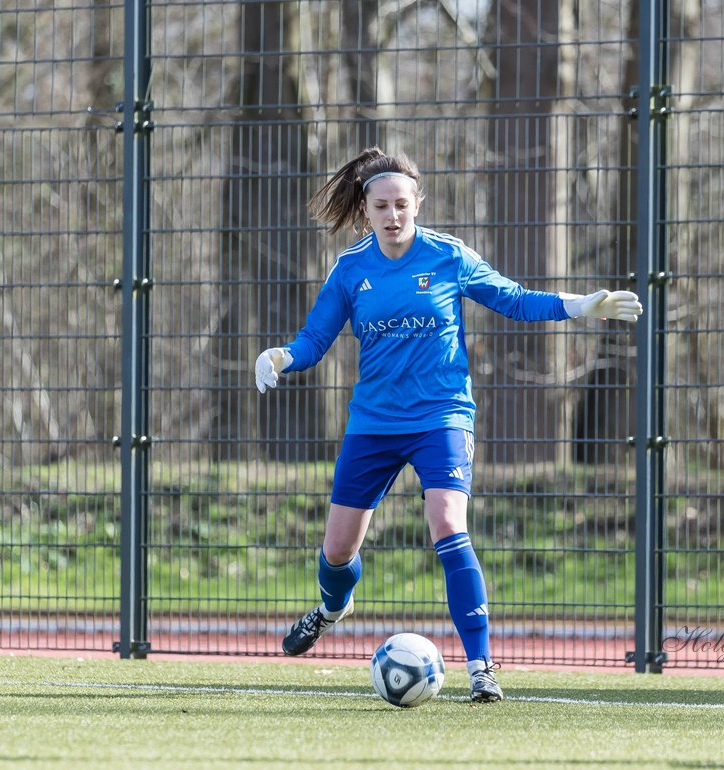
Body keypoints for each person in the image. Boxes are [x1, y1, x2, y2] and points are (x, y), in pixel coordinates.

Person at [255, 147, 642, 702]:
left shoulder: (447, 257)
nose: (393, 216)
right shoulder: (350, 270)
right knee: (338, 551)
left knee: (447, 522)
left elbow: (512, 299)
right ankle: (334, 605)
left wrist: (581, 306)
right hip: (374, 422)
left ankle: (481, 667)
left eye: (402, 205)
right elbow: (314, 340)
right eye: (381, 206)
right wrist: (281, 357)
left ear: (418, 205)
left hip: (441, 416)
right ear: (365, 211)